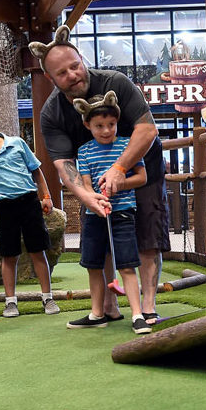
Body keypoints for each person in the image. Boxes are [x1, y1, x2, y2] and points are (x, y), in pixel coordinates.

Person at [30, 25, 168, 325]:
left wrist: (119, 169)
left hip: (142, 168)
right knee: (103, 237)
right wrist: (85, 196)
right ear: (51, 78)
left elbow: (147, 130)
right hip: (94, 178)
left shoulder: (115, 82)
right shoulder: (52, 112)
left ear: (83, 59)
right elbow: (64, 165)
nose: (72, 75)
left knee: (146, 236)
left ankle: (147, 306)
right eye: (62, 73)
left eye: (75, 66)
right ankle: (108, 307)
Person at [0, 95, 60, 318]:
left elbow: (36, 171)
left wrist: (46, 196)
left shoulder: (17, 143)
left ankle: (48, 297)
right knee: (9, 255)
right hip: (4, 207)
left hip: (28, 202)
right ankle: (10, 302)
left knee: (38, 250)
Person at [67, 93, 151, 334]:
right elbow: (85, 184)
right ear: (87, 125)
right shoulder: (84, 151)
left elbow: (141, 177)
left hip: (123, 212)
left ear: (117, 122)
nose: (106, 131)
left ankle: (137, 315)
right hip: (95, 215)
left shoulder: (127, 145)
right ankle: (97, 314)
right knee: (93, 264)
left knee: (127, 264)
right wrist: (97, 198)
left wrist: (118, 184)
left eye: (111, 125)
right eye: (99, 126)